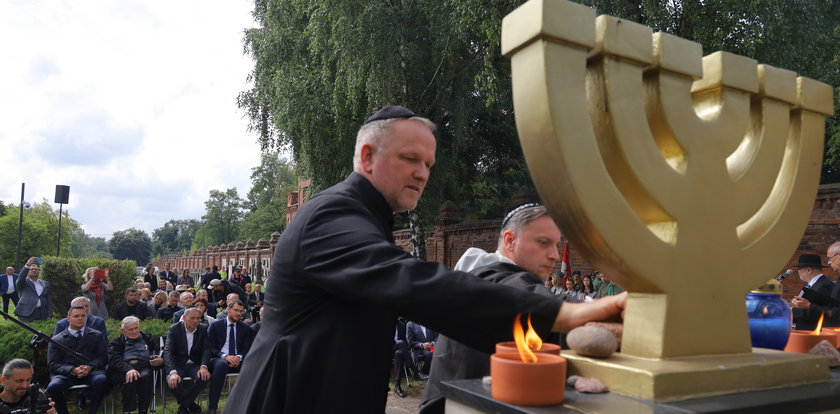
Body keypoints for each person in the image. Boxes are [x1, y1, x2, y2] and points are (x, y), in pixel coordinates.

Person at [225, 106, 627, 413]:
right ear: (367, 157)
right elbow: (412, 282)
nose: (423, 173)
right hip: (286, 398)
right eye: (409, 159)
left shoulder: (363, 218)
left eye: (429, 164)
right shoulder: (331, 216)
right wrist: (563, 312)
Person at [420, 203, 572, 412]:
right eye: (544, 243)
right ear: (510, 240)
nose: (554, 254)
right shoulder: (492, 277)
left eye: (556, 244)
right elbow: (525, 296)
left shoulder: (483, 277)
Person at [46, 306, 108, 414]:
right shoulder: (57, 340)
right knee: (53, 387)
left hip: (92, 372)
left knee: (102, 380)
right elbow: (53, 364)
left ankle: (92, 412)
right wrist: (72, 370)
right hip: (66, 374)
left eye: (83, 316)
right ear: (68, 318)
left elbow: (103, 357)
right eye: (76, 316)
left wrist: (90, 367)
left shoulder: (97, 335)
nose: (80, 318)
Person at [108, 316, 163, 414]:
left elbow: (158, 350)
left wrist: (160, 359)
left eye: (136, 328)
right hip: (125, 369)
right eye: (130, 330)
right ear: (122, 330)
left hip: (146, 367)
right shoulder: (116, 343)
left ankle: (143, 410)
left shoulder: (147, 338)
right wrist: (129, 369)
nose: (134, 331)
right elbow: (114, 360)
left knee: (146, 377)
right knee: (131, 378)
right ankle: (128, 411)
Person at [206, 300, 252, 414]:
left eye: (241, 311)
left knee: (252, 364)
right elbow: (210, 347)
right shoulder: (215, 325)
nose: (238, 314)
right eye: (236, 310)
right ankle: (213, 407)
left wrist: (238, 357)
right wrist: (226, 357)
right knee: (221, 365)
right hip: (219, 359)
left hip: (238, 360)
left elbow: (247, 348)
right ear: (228, 309)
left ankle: (248, 405)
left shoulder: (245, 327)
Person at [164, 307, 211, 414]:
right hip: (177, 364)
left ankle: (184, 406)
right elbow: (168, 351)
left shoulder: (202, 329)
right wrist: (173, 372)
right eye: (192, 318)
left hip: (194, 364)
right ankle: (192, 405)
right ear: (184, 318)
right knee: (174, 381)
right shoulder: (174, 329)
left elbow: (206, 349)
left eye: (198, 318)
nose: (195, 321)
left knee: (204, 377)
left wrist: (204, 366)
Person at [791, 253, 835, 330]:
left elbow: (814, 313)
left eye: (799, 269)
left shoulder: (823, 285)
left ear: (809, 270)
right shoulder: (816, 284)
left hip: (813, 334)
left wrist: (789, 311)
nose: (798, 272)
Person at [392, 317, 424, 398]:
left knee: (399, 354)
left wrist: (401, 343)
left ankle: (397, 386)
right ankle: (416, 373)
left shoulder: (402, 325)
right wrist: (396, 341)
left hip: (400, 350)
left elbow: (406, 342)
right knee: (401, 344)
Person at [15, 258, 52, 322]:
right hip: (26, 313)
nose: (34, 270)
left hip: (42, 313)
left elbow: (48, 299)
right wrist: (27, 265)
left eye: (36, 269)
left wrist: (49, 314)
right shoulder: (23, 282)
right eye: (31, 269)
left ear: (38, 271)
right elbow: (20, 278)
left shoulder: (45, 283)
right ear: (27, 271)